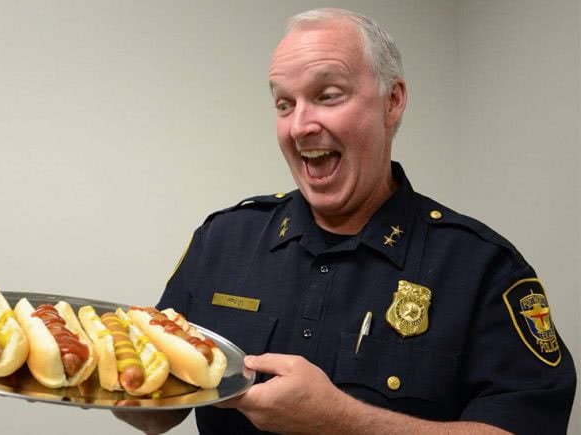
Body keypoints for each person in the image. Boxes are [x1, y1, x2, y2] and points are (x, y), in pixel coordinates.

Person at [116, 8, 576, 434]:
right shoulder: (223, 239)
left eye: (327, 95)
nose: (300, 125)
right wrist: (109, 380)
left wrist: (343, 421)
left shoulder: (481, 267)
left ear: (392, 102)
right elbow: (162, 412)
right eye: (284, 104)